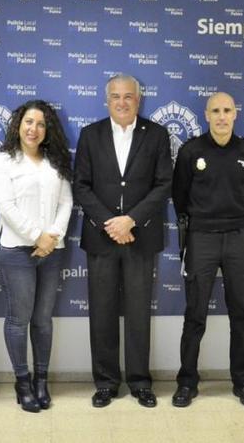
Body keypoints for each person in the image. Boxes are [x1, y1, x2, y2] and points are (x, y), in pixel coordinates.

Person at [73, 74, 172, 408]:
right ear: (107, 100)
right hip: (101, 240)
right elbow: (81, 186)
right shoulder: (90, 135)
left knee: (138, 313)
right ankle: (105, 382)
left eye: (128, 96)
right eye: (115, 96)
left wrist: (131, 220)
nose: (122, 102)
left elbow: (163, 185)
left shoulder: (156, 135)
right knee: (101, 313)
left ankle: (140, 382)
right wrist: (109, 223)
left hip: (140, 237)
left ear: (138, 100)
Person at [171, 92, 244, 408]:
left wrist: (235, 222)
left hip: (238, 235)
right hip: (201, 238)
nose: (222, 116)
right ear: (206, 115)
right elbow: (179, 197)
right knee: (195, 314)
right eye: (216, 111)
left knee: (241, 313)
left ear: (235, 114)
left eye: (227, 110)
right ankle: (186, 383)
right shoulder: (190, 151)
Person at [0, 100, 73, 412]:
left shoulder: (56, 162)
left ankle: (41, 380)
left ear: (47, 129)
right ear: (17, 125)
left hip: (52, 251)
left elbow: (66, 202)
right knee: (18, 319)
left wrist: (51, 238)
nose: (33, 129)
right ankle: (22, 382)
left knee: (43, 321)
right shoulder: (2, 161)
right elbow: (5, 207)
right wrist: (37, 237)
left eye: (40, 124)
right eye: (28, 122)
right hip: (15, 251)